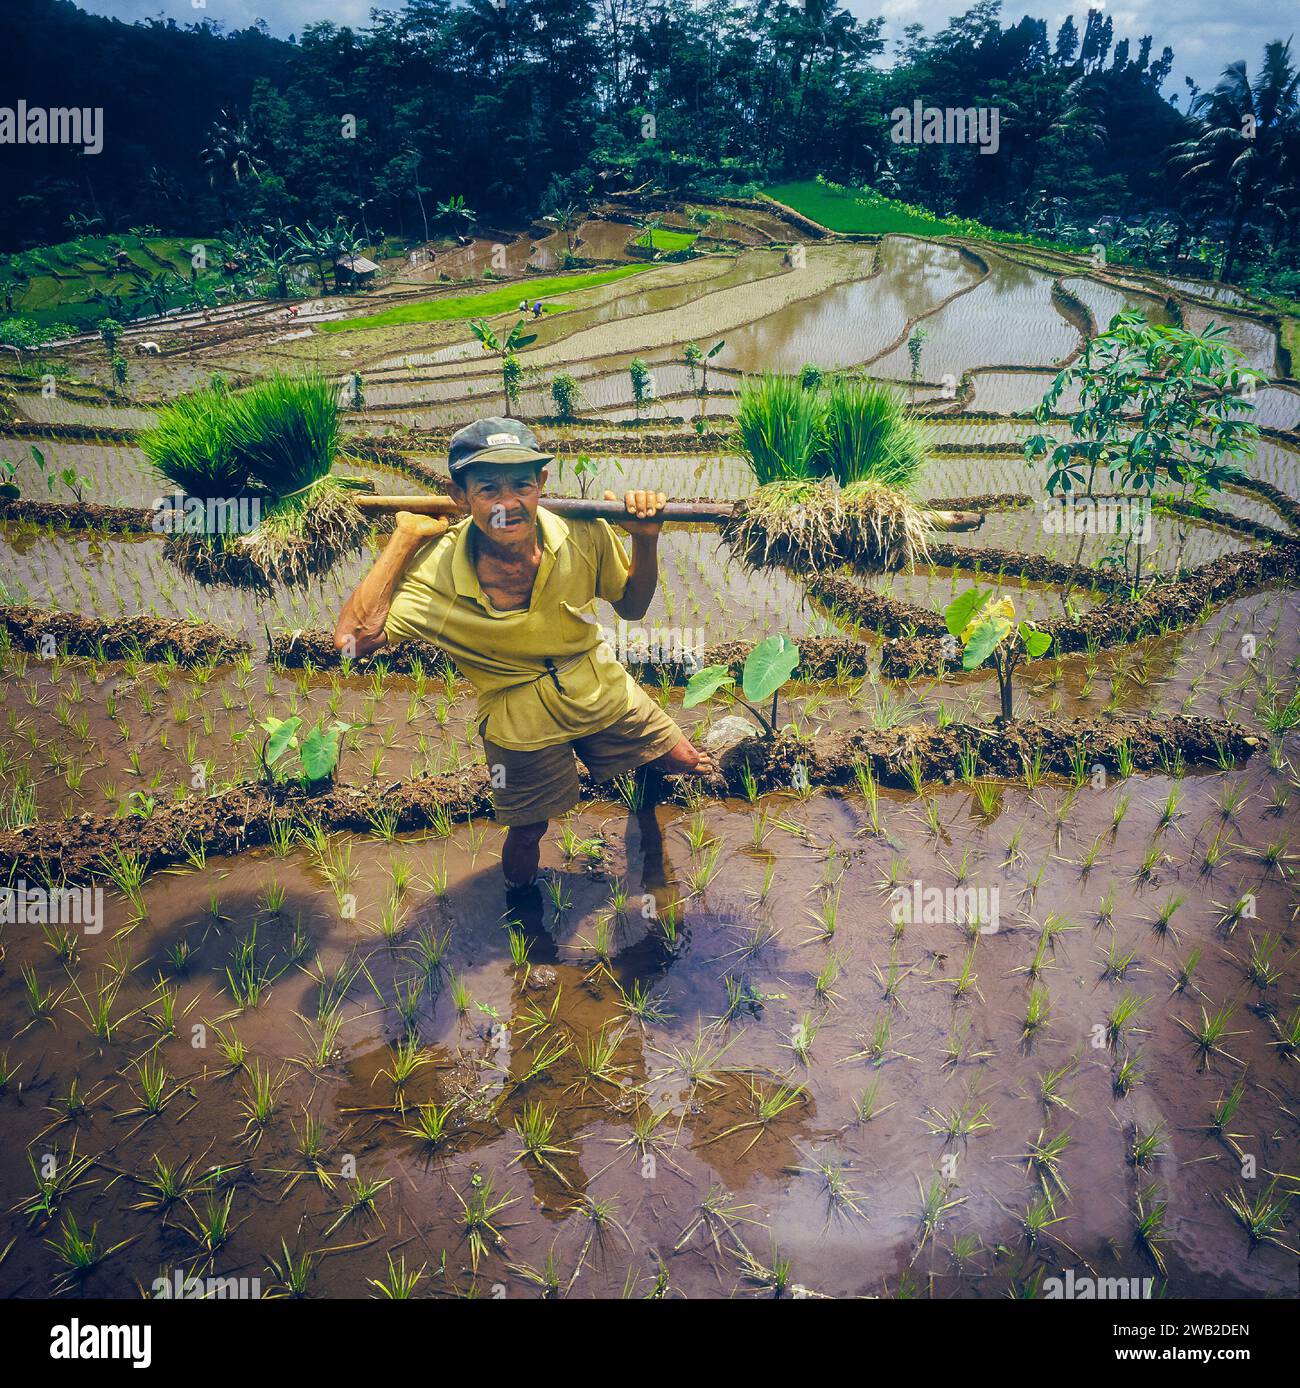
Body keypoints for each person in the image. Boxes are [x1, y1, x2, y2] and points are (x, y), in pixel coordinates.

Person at [334, 417, 714, 891]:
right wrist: (403, 540)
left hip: (596, 682)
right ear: (459, 495)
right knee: (529, 827)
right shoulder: (435, 573)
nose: (507, 505)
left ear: (542, 484)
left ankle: (645, 819)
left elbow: (633, 606)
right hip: (518, 716)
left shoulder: (584, 532)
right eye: (488, 488)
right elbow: (353, 642)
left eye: (521, 485)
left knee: (679, 757)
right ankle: (523, 912)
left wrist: (644, 537)